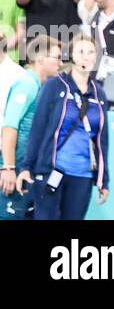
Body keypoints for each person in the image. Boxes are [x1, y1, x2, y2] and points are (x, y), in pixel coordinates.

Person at [18, 33, 110, 219]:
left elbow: (102, 140)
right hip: (51, 171)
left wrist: (103, 180)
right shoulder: (54, 86)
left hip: (82, 175)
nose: (86, 56)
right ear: (71, 55)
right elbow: (38, 128)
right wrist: (26, 166)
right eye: (81, 51)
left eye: (91, 52)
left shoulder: (99, 93)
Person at [0, 34, 62, 220]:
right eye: (57, 57)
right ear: (41, 58)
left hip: (26, 169)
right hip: (14, 169)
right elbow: (10, 127)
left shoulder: (41, 86)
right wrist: (8, 168)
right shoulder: (27, 85)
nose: (60, 63)